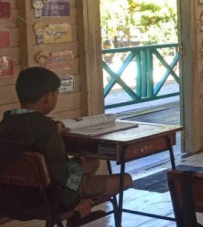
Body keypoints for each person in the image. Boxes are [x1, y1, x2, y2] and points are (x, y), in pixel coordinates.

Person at [0, 67, 132, 218]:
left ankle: (83, 200)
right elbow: (60, 176)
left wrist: (54, 133)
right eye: (56, 94)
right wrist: (75, 204)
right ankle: (81, 209)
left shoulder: (5, 123)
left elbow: (31, 136)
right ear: (49, 97)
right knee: (126, 180)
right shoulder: (46, 128)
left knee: (92, 161)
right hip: (49, 199)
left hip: (12, 197)